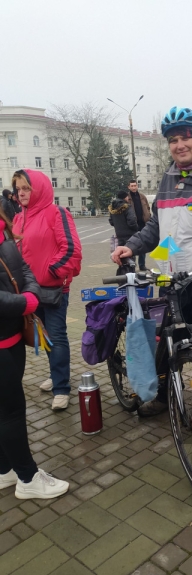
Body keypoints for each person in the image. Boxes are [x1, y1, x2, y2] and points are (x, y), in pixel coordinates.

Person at [111, 106, 192, 415]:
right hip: (171, 278)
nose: (179, 145)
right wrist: (131, 246)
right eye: (172, 140)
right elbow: (157, 226)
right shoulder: (169, 176)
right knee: (166, 340)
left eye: (185, 137)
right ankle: (162, 397)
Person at [0, 206, 69, 500]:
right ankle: (28, 479)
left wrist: (31, 293)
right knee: (11, 411)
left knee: (4, 408)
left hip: (12, 335)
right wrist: (23, 303)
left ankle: (5, 471)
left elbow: (22, 266)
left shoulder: (4, 227)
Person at [12, 170, 82, 411]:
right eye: (18, 188)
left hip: (53, 290)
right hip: (29, 292)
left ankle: (61, 387)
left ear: (38, 188)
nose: (20, 193)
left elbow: (71, 249)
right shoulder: (19, 218)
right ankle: (56, 374)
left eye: (26, 188)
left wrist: (51, 273)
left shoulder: (57, 213)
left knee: (57, 335)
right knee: (43, 336)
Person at [127, 180, 151, 270]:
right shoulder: (127, 198)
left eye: (135, 185)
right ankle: (131, 265)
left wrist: (148, 217)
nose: (134, 187)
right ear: (128, 187)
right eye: (132, 186)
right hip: (132, 226)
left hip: (143, 224)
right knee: (131, 245)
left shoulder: (142, 196)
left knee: (142, 245)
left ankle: (142, 265)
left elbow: (147, 208)